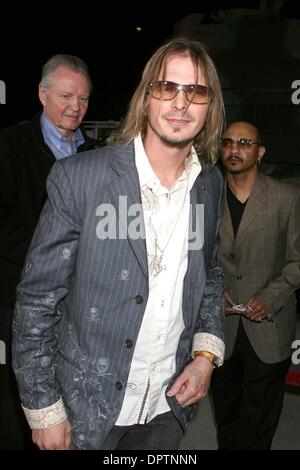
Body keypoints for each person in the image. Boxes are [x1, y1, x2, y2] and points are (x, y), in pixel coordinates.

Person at [12, 37, 225, 451]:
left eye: (195, 92)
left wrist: (204, 358)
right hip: (84, 415)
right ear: (146, 97)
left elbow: (211, 272)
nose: (181, 104)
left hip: (166, 411)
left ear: (209, 105)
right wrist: (44, 408)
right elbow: (37, 302)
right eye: (168, 88)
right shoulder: (80, 178)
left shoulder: (210, 184)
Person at [0, 54, 99, 449]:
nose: (75, 106)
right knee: (20, 402)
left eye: (84, 98)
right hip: (20, 299)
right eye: (66, 96)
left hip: (79, 305)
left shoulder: (96, 153)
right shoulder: (10, 145)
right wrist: (53, 249)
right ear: (42, 94)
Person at [211, 121, 300, 450]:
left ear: (260, 152)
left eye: (245, 143)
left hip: (269, 328)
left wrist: (268, 297)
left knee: (258, 425)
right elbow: (196, 256)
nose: (234, 149)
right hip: (220, 329)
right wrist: (211, 288)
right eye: (228, 143)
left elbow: (297, 261)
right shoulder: (207, 196)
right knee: (226, 418)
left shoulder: (287, 197)